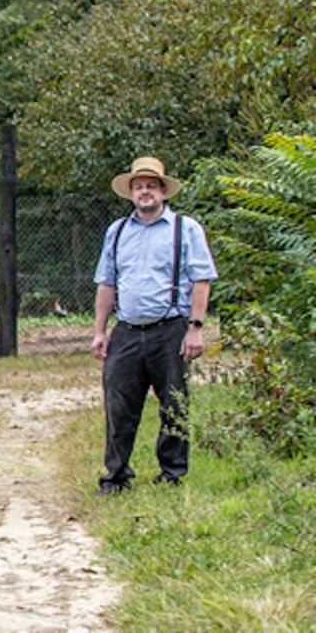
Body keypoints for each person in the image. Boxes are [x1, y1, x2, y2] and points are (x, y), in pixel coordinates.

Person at [91, 156, 217, 495]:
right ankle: (116, 476)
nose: (144, 191)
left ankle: (172, 474)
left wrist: (195, 327)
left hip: (171, 329)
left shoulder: (185, 229)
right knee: (118, 405)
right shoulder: (116, 232)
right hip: (127, 330)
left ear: (163, 191)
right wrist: (100, 331)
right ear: (130, 192)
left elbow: (201, 280)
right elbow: (106, 283)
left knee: (174, 402)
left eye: (150, 185)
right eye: (138, 186)